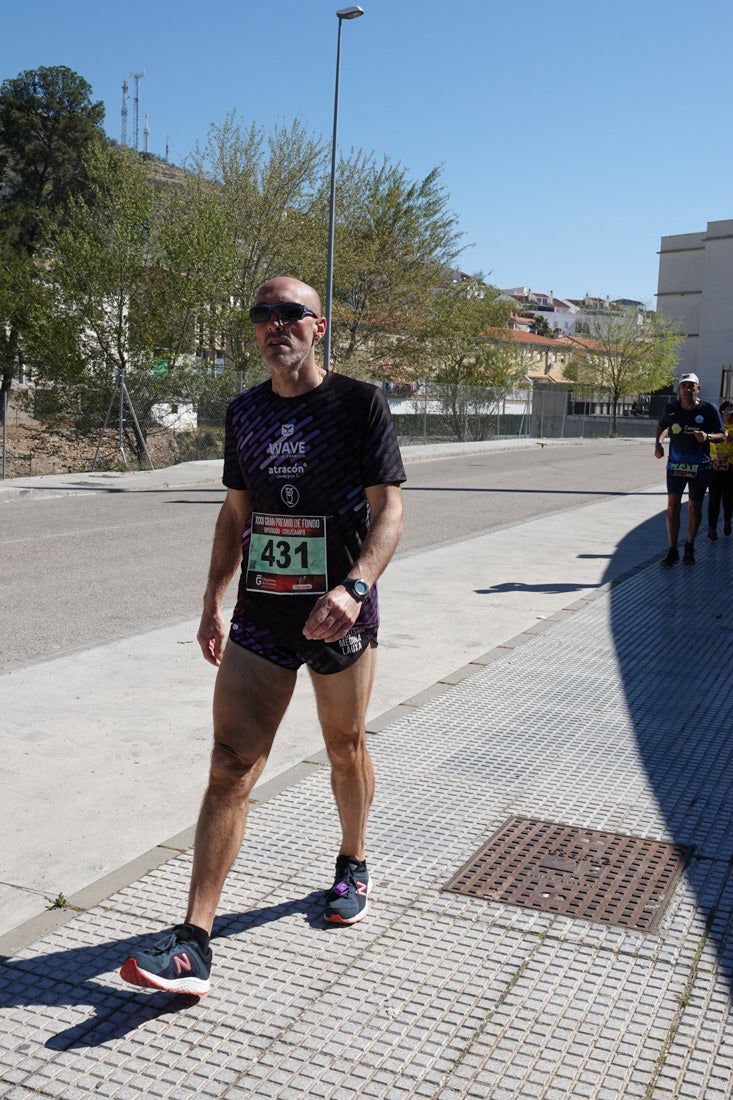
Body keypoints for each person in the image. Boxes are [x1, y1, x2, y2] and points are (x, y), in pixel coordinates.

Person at [120, 277, 405, 996]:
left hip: (338, 612)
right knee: (228, 764)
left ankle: (353, 861)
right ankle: (192, 944)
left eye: (289, 315)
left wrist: (355, 587)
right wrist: (212, 600)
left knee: (345, 746)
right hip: (262, 616)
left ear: (320, 328)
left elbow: (390, 511)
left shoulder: (357, 404)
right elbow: (233, 514)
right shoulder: (244, 412)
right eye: (261, 317)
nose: (274, 326)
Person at [655, 372, 725, 567]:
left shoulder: (709, 409)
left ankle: (689, 545)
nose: (687, 389)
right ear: (679, 389)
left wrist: (708, 437)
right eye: (684, 386)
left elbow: (723, 434)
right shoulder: (671, 409)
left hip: (700, 466)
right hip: (675, 465)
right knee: (672, 506)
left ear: (698, 389)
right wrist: (658, 445)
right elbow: (661, 427)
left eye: (691, 386)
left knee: (694, 507)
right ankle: (672, 550)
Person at [706, 400, 733, 540]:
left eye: (732, 413)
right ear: (721, 413)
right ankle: (712, 528)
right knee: (714, 499)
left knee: (728, 498)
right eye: (726, 412)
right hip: (715, 467)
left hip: (731, 468)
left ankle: (727, 519)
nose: (729, 416)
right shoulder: (715, 427)